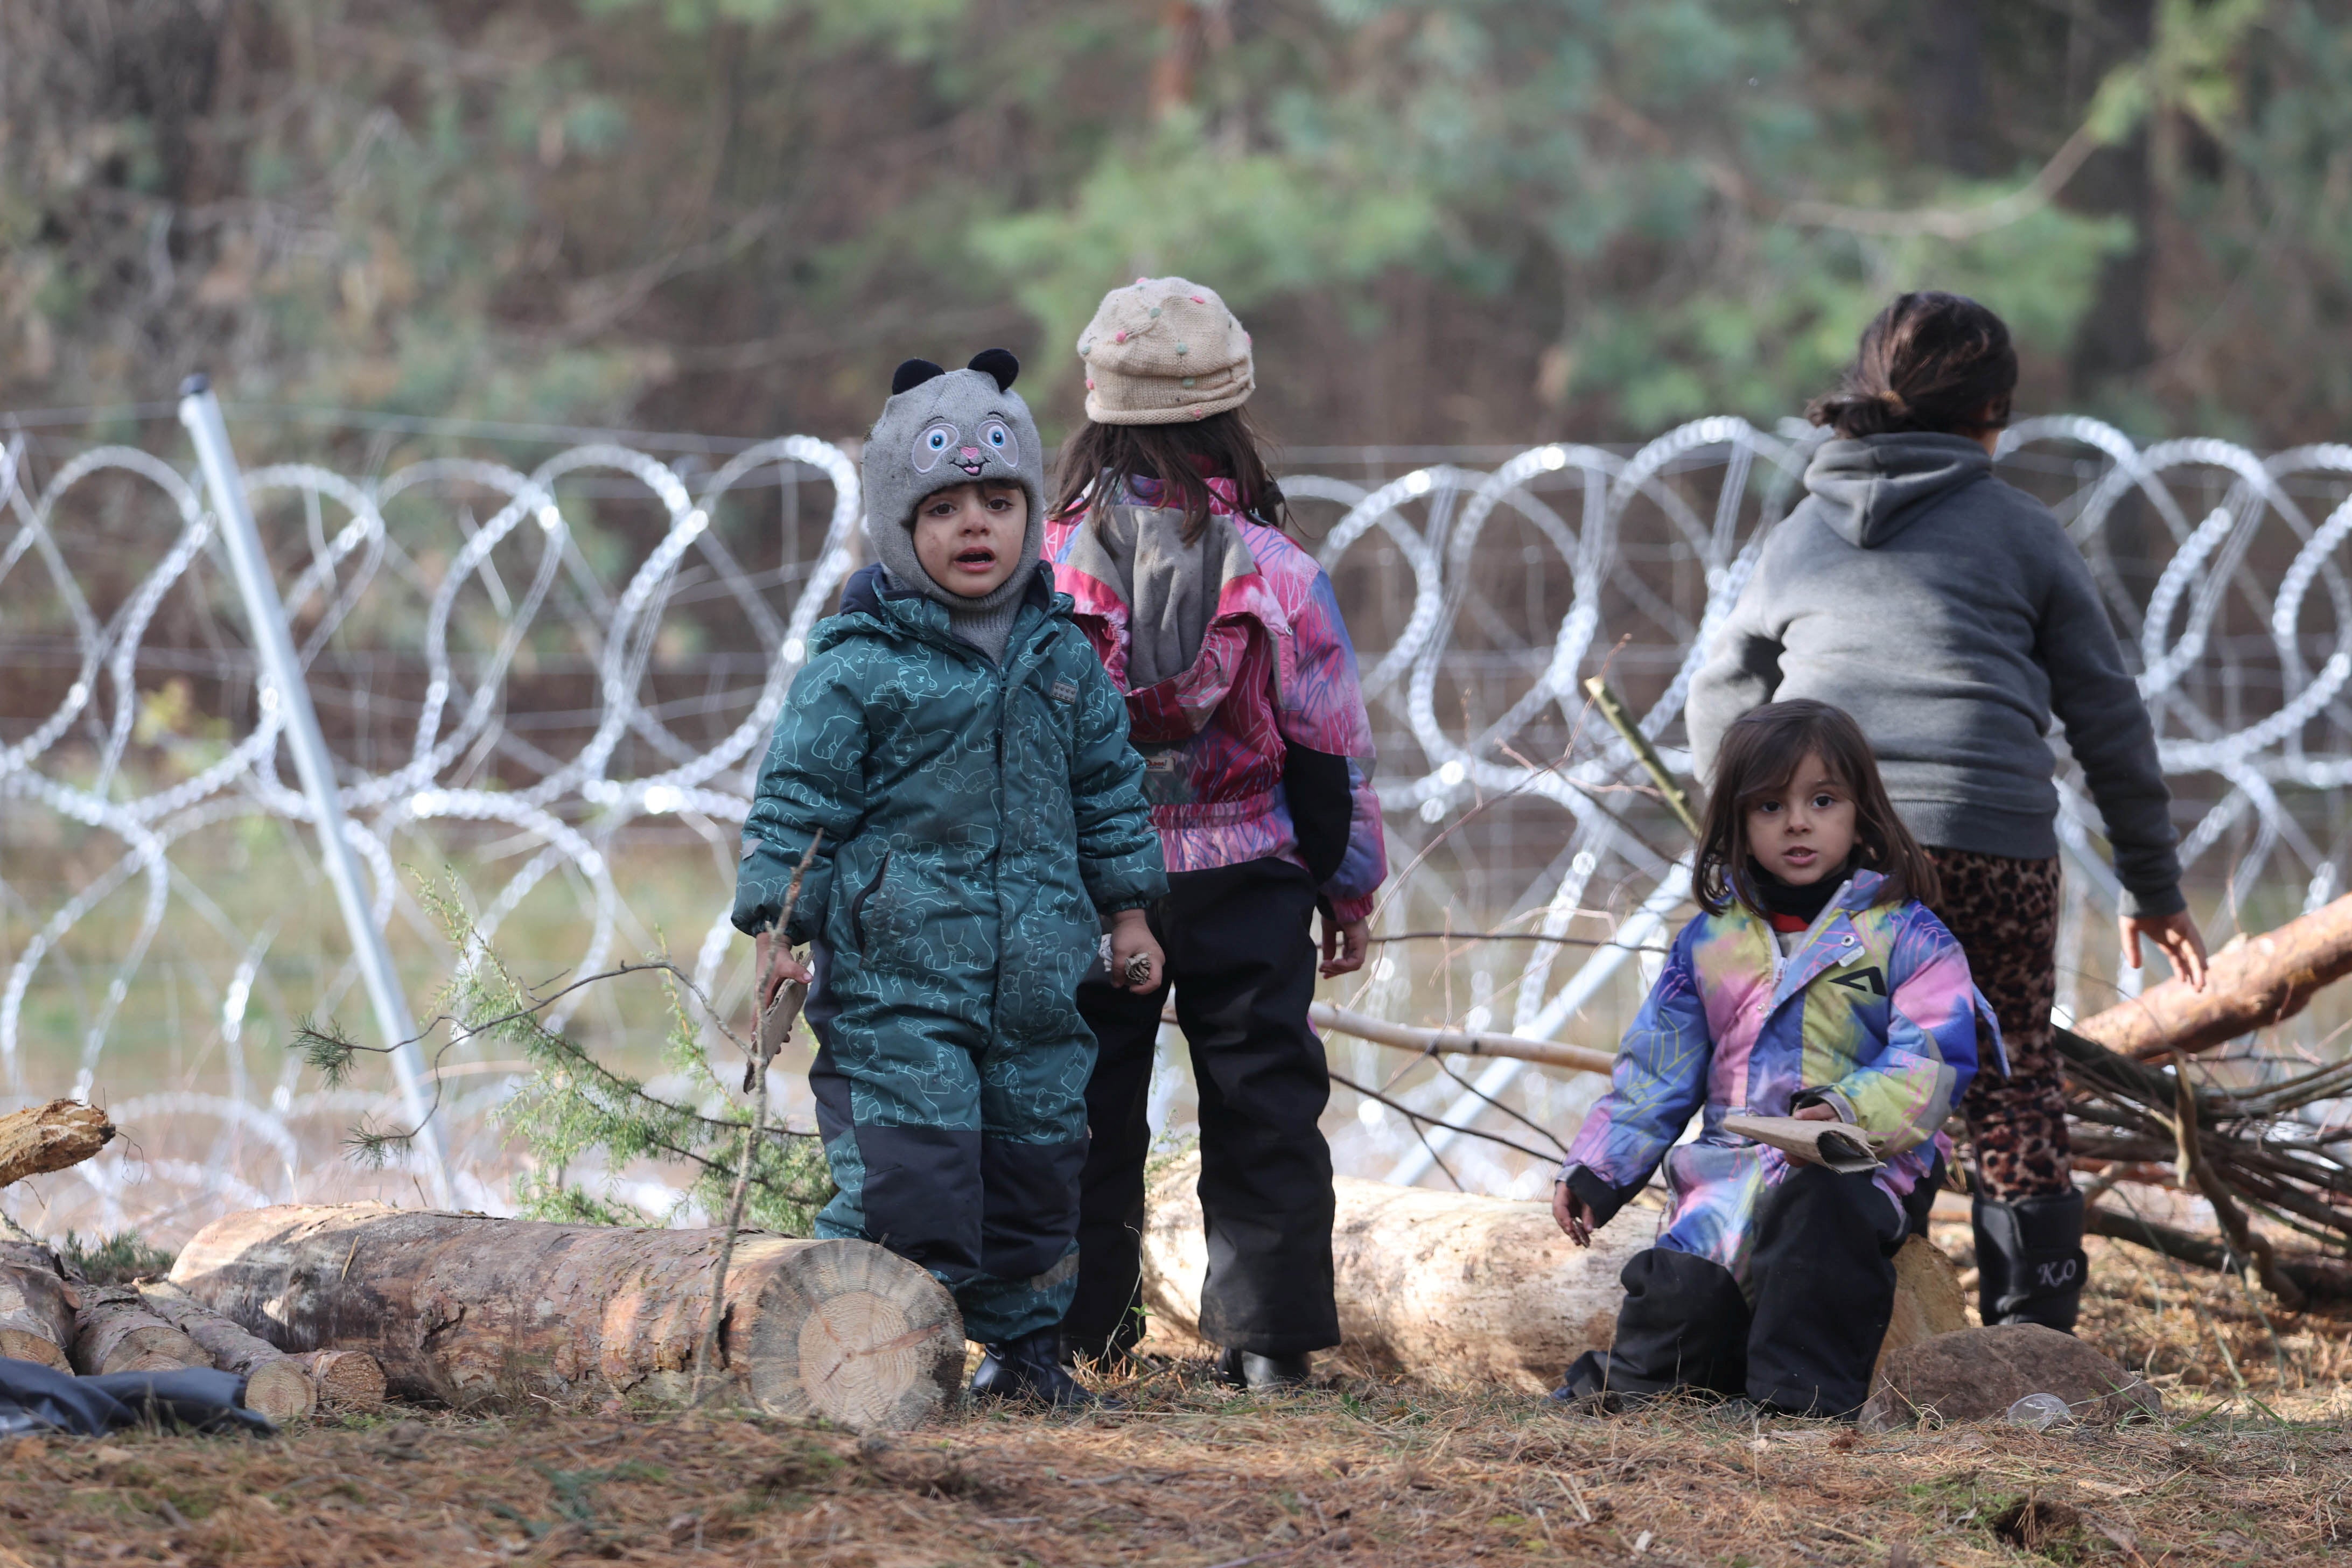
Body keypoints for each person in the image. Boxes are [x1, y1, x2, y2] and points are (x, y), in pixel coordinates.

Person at [1685, 291, 2208, 1334]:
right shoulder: (2023, 532)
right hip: (1992, 843)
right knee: (2006, 1068)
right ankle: (2032, 1340)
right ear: (1993, 413)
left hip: (1839, 853)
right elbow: (2107, 717)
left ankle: (1835, 1310)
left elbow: (1719, 694)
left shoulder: (1797, 537)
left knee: (1840, 1064)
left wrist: (1752, 838)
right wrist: (2152, 883)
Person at [732, 348, 1168, 1408]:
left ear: (1031, 513)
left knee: (1034, 1174)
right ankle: (861, 1355)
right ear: (896, 522)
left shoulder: (1062, 658)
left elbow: (1111, 787)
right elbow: (801, 799)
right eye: (942, 508)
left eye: (998, 500)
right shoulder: (862, 660)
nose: (974, 525)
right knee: (913, 1174)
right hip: (899, 987)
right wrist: (778, 922)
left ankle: (1025, 1357)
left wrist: (1128, 909)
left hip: (1036, 985)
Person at [1045, 277, 1388, 1390]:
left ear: (1098, 409)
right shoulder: (1280, 572)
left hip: (1100, 884)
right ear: (1230, 412)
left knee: (1088, 1101)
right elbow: (1328, 743)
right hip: (1251, 875)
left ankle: (1078, 1332)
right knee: (1264, 1104)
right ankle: (1270, 1344)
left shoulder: (1050, 570)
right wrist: (1346, 887)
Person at [1553, 699, 1987, 1418]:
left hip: (1865, 1162)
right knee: (1681, 1283)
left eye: (1823, 800)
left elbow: (1933, 1057)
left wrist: (1846, 1109)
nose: (1797, 822)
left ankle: (1799, 1408)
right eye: (1769, 805)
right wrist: (1599, 1168)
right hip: (1733, 1163)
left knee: (1820, 1227)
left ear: (1861, 811)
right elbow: (1657, 1071)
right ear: (1736, 823)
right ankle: (1647, 1389)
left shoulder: (1910, 935)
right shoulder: (1708, 944)